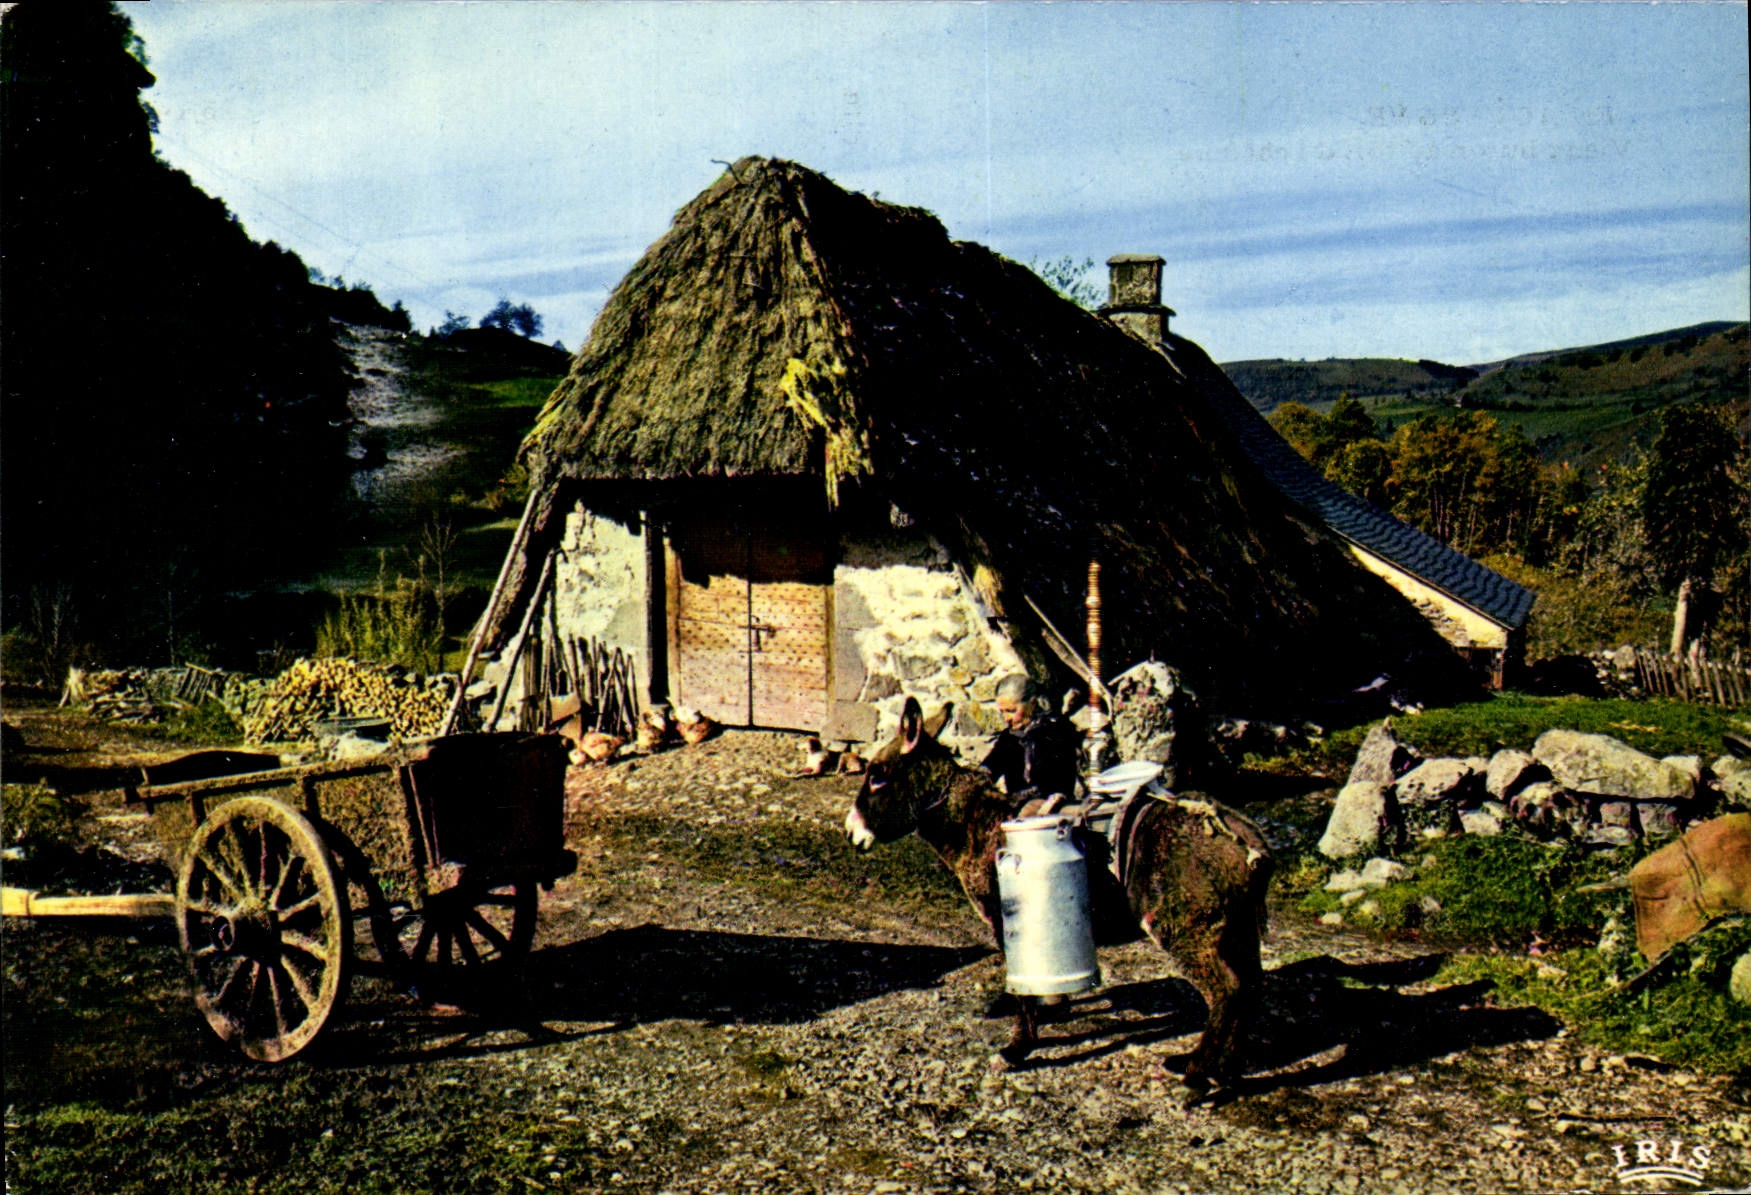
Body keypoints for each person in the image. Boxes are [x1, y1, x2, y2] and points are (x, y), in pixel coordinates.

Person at [980, 673, 1081, 806]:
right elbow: (991, 767)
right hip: (1019, 810)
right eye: (1002, 712)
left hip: (1052, 809)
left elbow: (1060, 784)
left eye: (1011, 711)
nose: (1006, 718)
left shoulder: (1057, 731)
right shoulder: (1009, 737)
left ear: (1032, 703)